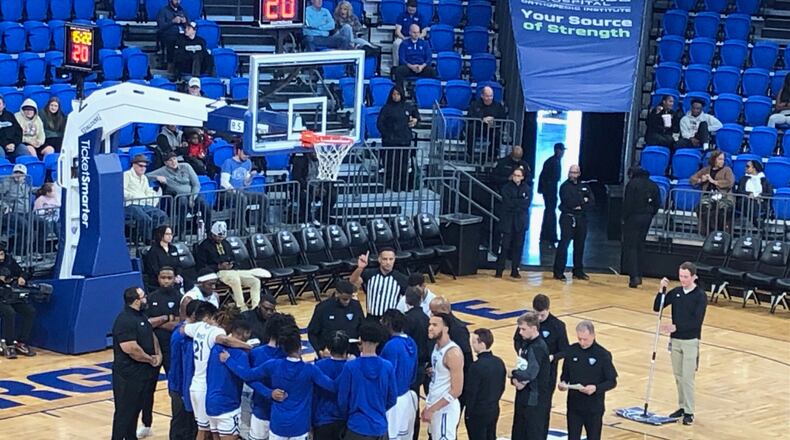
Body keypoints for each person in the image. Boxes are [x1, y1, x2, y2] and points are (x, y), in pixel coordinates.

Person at [220, 323, 335, 440]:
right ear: (300, 347)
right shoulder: (311, 370)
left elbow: (247, 375)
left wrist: (229, 361)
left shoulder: (273, 365)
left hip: (278, 425)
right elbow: (333, 386)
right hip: (299, 426)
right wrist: (343, 362)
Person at [183, 302, 251, 439]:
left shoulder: (200, 327)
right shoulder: (217, 332)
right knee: (203, 432)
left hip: (196, 384)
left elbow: (182, 329)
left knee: (210, 432)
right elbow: (226, 341)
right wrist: (248, 346)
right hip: (205, 387)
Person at [656, 262, 707, 426]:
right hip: (675, 340)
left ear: (693, 277)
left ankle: (689, 411)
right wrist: (661, 290)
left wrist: (676, 327)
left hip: (691, 341)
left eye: (686, 277)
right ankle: (681, 406)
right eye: (680, 276)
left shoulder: (700, 296)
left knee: (687, 378)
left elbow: (696, 321)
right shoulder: (677, 292)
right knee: (678, 376)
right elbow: (658, 307)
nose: (682, 279)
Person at [512, 294, 569, 438]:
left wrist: (552, 357)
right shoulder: (527, 323)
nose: (539, 317)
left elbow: (565, 350)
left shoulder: (557, 326)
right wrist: (521, 352)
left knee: (540, 411)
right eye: (536, 314)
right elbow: (517, 340)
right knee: (522, 411)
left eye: (542, 314)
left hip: (546, 375)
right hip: (525, 372)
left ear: (548, 309)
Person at [137, 267, 183, 438]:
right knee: (148, 389)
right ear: (158, 279)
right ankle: (146, 424)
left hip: (173, 350)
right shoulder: (151, 298)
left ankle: (177, 423)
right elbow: (146, 323)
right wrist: (167, 318)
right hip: (153, 350)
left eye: (169, 277)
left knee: (175, 389)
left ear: (174, 279)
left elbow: (180, 325)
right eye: (163, 277)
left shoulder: (180, 298)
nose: (166, 281)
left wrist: (159, 322)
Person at [111, 287, 162, 440]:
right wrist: (150, 358)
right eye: (143, 297)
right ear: (136, 300)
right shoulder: (124, 320)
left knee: (135, 411)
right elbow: (130, 348)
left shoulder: (141, 316)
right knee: (124, 413)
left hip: (142, 374)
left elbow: (151, 334)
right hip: (127, 375)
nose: (146, 299)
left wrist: (158, 353)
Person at [336, 322, 398, 440]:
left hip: (357, 426)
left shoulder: (350, 367)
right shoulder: (387, 366)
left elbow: (342, 400)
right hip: (380, 427)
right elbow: (392, 398)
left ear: (360, 340)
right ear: (378, 342)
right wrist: (378, 409)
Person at [558, 320, 618, 440]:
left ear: (593, 335)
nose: (582, 342)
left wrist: (596, 388)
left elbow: (612, 381)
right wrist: (563, 384)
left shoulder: (603, 354)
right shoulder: (572, 350)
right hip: (574, 406)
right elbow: (565, 375)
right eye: (579, 338)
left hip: (594, 408)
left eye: (585, 339)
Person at [195, 220, 263, 311]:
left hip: (232, 271)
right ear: (212, 234)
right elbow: (201, 267)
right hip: (217, 273)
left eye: (222, 237)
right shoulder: (204, 246)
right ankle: (242, 307)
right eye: (218, 236)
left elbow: (233, 258)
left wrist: (231, 264)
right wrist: (218, 267)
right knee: (235, 280)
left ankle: (256, 307)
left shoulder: (225, 243)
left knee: (255, 281)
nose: (220, 239)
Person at [422, 313, 464, 440]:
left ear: (446, 329)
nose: (430, 328)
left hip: (445, 409)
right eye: (429, 324)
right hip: (435, 405)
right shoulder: (436, 347)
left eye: (435, 325)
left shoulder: (453, 353)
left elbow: (456, 390)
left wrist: (432, 409)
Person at [510, 312, 551, 440]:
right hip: (524, 396)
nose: (520, 332)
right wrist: (516, 380)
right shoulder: (526, 344)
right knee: (518, 432)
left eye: (523, 329)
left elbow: (530, 373)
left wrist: (512, 374)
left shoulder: (537, 347)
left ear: (533, 328)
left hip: (534, 400)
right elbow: (522, 367)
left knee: (531, 434)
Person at [148, 151, 211, 235]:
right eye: (170, 160)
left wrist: (192, 198)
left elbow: (196, 185)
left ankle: (209, 230)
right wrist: (156, 177)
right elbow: (146, 175)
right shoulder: (162, 171)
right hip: (178, 196)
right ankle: (181, 232)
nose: (173, 162)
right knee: (183, 202)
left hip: (192, 194)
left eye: (174, 159)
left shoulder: (186, 166)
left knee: (204, 204)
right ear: (166, 163)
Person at [380, 309, 418, 440]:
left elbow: (387, 377)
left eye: (383, 320)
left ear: (388, 324)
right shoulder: (411, 341)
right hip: (407, 396)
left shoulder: (391, 346)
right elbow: (414, 373)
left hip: (393, 402)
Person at [552, 165, 594, 281]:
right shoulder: (564, 187)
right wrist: (582, 201)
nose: (573, 175)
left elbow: (591, 202)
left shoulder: (585, 186)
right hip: (567, 218)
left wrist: (581, 204)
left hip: (582, 218)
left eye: (575, 173)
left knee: (580, 245)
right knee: (564, 244)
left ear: (579, 173)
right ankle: (558, 271)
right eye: (571, 172)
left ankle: (578, 271)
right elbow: (569, 202)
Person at [621, 166, 661, 288]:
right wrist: (651, 213)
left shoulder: (632, 184)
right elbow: (657, 202)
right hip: (647, 217)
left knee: (631, 246)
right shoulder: (653, 184)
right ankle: (640, 274)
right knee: (640, 245)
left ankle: (634, 277)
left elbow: (628, 203)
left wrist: (624, 217)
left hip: (633, 217)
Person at [464, 328, 505, 440]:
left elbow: (472, 392)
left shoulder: (476, 366)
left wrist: (468, 412)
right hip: (494, 408)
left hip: (478, 412)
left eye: (474, 342)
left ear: (482, 344)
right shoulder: (499, 362)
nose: (472, 345)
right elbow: (502, 387)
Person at [168, 299, 200, 440]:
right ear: (194, 315)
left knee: (193, 425)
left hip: (189, 385)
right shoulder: (180, 336)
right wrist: (181, 390)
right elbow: (178, 366)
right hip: (180, 386)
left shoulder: (193, 334)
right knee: (181, 424)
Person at [377, 85, 420, 192]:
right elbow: (380, 124)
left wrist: (415, 121)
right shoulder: (386, 108)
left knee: (403, 164)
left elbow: (417, 118)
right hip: (390, 142)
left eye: (397, 94)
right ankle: (392, 185)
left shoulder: (408, 107)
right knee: (391, 164)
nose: (395, 96)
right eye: (393, 94)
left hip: (404, 141)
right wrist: (387, 135)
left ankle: (404, 185)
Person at [308, 279, 365, 357]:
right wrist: (319, 350)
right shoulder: (323, 308)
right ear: (337, 293)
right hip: (330, 352)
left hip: (352, 352)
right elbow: (312, 332)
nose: (347, 302)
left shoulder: (356, 305)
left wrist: (363, 343)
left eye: (349, 298)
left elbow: (362, 327)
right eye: (344, 299)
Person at [350, 249, 408, 321]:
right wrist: (360, 268)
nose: (388, 262)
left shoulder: (401, 278)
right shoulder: (369, 274)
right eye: (385, 259)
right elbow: (352, 282)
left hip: (390, 321)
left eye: (391, 259)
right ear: (379, 260)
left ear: (394, 260)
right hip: (372, 318)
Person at [0, 164, 49, 250]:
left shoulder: (25, 185)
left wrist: (45, 189)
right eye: (16, 172)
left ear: (25, 176)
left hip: (25, 213)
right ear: (12, 173)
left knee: (43, 224)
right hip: (11, 213)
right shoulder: (6, 183)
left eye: (21, 173)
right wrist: (5, 206)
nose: (18, 175)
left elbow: (33, 190)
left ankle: (37, 250)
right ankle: (19, 254)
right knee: (25, 227)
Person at [313, 331, 350, 440]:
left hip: (322, 420)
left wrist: (310, 423)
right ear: (347, 348)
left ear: (329, 348)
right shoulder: (352, 368)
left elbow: (313, 396)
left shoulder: (318, 366)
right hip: (345, 420)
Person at [0, 245, 36, 359]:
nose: (1, 257)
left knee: (30, 311)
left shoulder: (9, 261)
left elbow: (23, 272)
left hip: (11, 295)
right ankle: (9, 344)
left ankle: (21, 342)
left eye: (1, 254)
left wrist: (22, 277)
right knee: (9, 313)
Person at [124, 154, 169, 243]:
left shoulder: (144, 177)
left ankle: (151, 237)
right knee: (145, 218)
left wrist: (153, 194)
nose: (143, 168)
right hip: (130, 204)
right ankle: (146, 240)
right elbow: (122, 191)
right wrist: (134, 197)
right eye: (141, 166)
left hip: (143, 204)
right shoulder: (126, 175)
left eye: (145, 166)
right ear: (134, 165)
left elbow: (147, 191)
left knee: (162, 215)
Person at [495, 166, 531, 279]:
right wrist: (519, 201)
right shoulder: (506, 188)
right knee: (504, 246)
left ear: (523, 177)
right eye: (515, 175)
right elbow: (508, 203)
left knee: (518, 246)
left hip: (520, 222)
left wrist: (516, 202)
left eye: (519, 176)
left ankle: (515, 270)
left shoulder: (527, 188)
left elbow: (526, 204)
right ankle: (499, 270)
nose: (516, 177)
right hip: (508, 221)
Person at [689, 150, 734, 235]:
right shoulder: (706, 170)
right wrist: (701, 180)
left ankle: (721, 232)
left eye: (723, 159)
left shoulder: (727, 170)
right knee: (702, 208)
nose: (722, 161)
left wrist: (714, 181)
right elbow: (692, 179)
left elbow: (729, 182)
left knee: (723, 210)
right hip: (708, 196)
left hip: (724, 196)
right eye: (720, 159)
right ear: (714, 159)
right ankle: (707, 232)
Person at [466, 86, 507, 161]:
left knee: (497, 135)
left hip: (492, 128)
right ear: (482, 96)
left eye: (491, 96)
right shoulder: (475, 104)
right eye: (487, 96)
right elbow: (470, 116)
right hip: (478, 127)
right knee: (470, 129)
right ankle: (470, 154)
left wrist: (493, 120)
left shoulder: (498, 106)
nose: (489, 98)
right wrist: (482, 119)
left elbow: (503, 117)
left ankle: (490, 155)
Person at [393, 24, 436, 89]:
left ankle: (429, 93)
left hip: (421, 67)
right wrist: (411, 66)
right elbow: (402, 59)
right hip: (409, 67)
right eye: (414, 32)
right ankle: (401, 94)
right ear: (410, 32)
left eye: (418, 32)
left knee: (432, 71)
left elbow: (429, 58)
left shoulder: (425, 43)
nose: (416, 34)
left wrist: (422, 66)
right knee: (398, 71)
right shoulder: (404, 44)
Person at [538, 143, 565, 247]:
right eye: (562, 150)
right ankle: (549, 236)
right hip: (550, 191)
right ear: (558, 150)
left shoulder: (553, 161)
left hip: (550, 190)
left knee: (550, 212)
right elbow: (546, 177)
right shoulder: (552, 162)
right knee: (550, 212)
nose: (563, 153)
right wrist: (545, 190)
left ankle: (547, 235)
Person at [142, 225, 182, 291]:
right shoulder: (153, 251)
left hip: (174, 279)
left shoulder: (173, 249)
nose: (170, 236)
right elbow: (154, 270)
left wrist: (178, 275)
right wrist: (170, 278)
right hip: (159, 281)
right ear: (160, 235)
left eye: (171, 234)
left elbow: (178, 265)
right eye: (167, 234)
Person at [392, 0, 430, 67]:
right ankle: (396, 66)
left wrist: (417, 37)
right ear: (407, 7)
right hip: (404, 37)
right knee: (396, 44)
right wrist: (404, 38)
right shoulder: (402, 15)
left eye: (413, 8)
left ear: (416, 8)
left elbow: (424, 32)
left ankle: (422, 65)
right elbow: (398, 31)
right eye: (410, 8)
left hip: (417, 37)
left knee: (425, 44)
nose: (412, 9)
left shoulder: (420, 16)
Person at [157, 0, 189, 78]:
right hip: (168, 34)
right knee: (172, 42)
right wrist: (172, 21)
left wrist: (185, 22)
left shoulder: (182, 11)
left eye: (179, 0)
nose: (178, 1)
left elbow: (189, 25)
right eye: (176, 0)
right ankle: (170, 68)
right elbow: (161, 26)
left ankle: (183, 68)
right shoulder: (163, 11)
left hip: (182, 34)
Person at [0, 95, 26, 160]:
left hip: (13, 144)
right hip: (1, 145)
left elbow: (19, 131)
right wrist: (5, 144)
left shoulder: (10, 115)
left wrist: (14, 144)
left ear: (4, 105)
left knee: (23, 150)